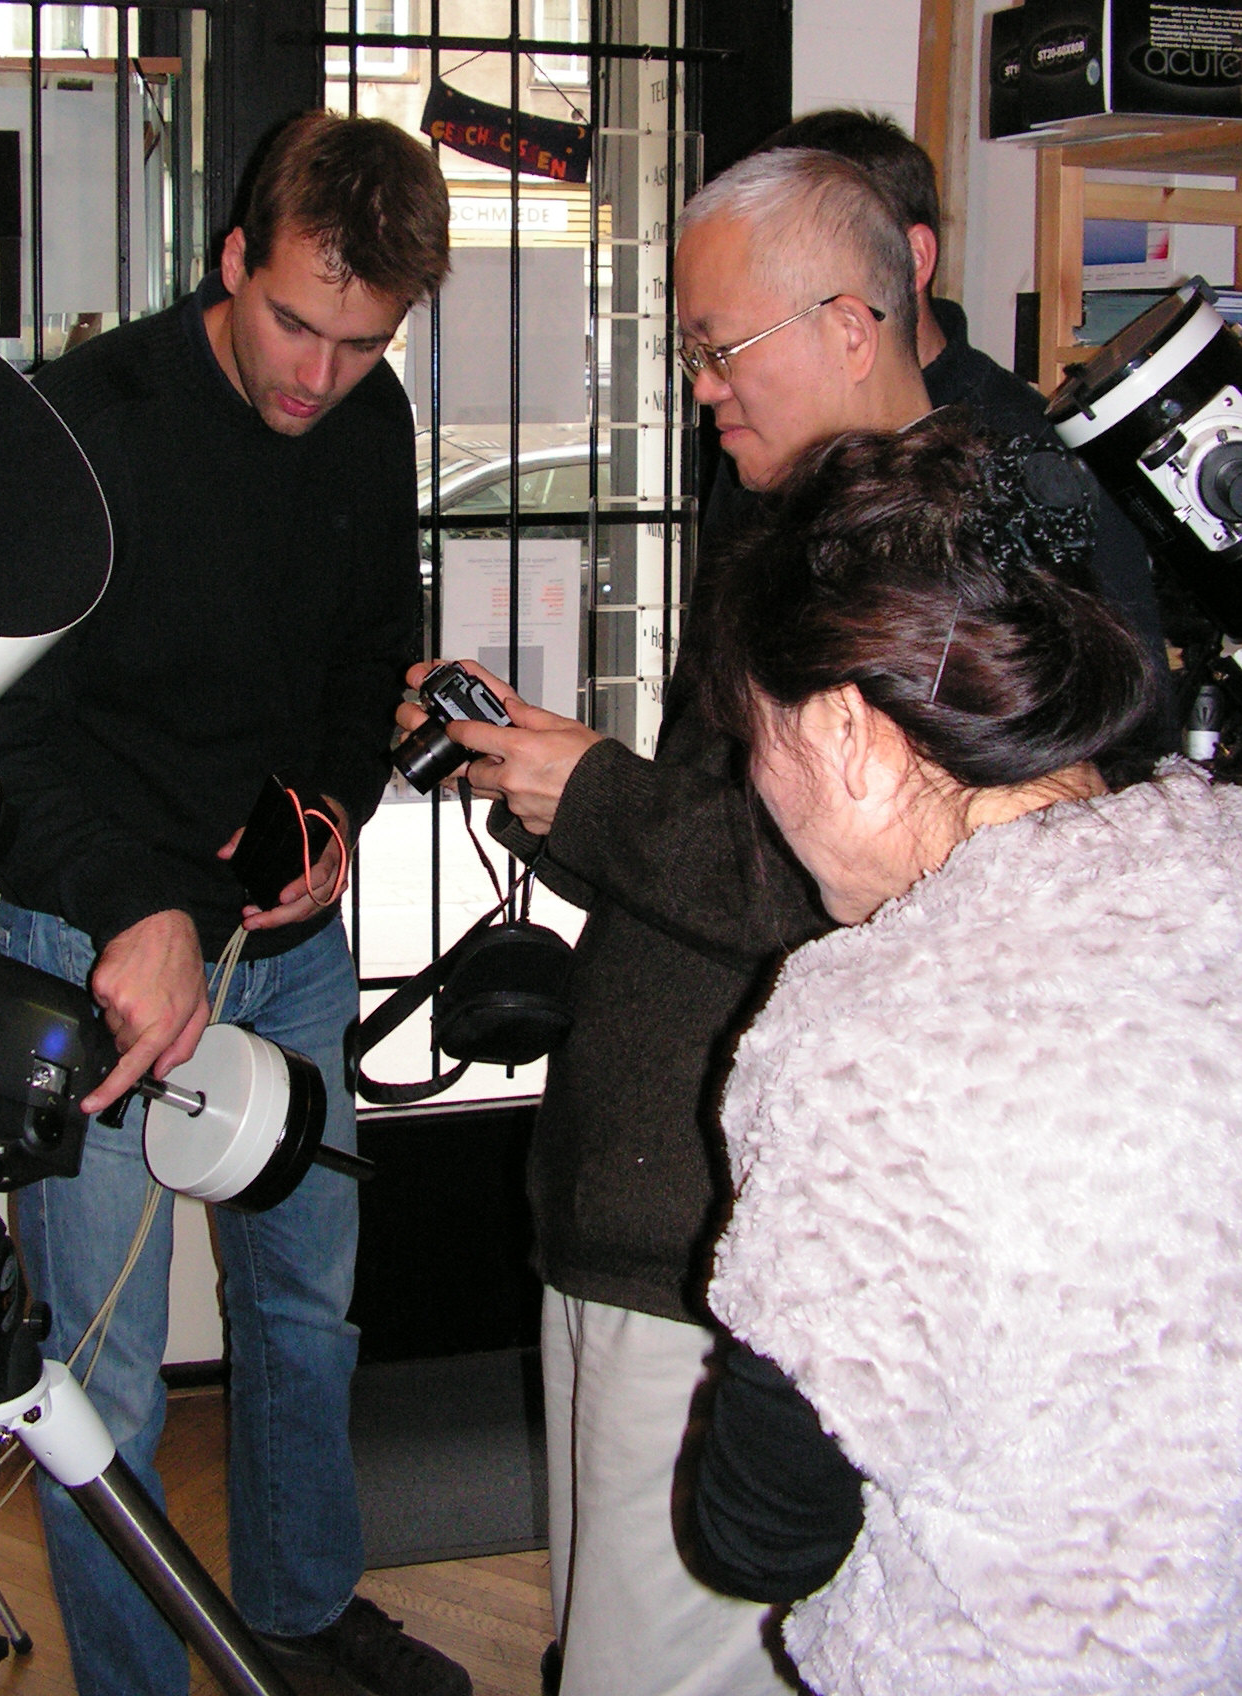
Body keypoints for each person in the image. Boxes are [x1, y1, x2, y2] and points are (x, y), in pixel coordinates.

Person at [399, 148, 941, 1696]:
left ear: (850, 323)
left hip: (719, 1243)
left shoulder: (933, 565)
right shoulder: (794, 531)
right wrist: (551, 791)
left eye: (719, 347)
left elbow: (835, 888)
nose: (698, 389)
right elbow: (709, 852)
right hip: (628, 1210)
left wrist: (594, 793)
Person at [0, 112, 467, 1696]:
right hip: (95, 947)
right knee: (100, 1372)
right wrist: (139, 906)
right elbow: (3, 733)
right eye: (296, 325)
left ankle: (299, 1622)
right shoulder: (87, 421)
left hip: (286, 943)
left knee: (306, 1309)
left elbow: (365, 654)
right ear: (234, 256)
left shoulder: (370, 416)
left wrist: (338, 811)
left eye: (362, 342)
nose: (321, 377)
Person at [696, 411, 1242, 1694]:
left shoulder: (862, 1041)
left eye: (755, 738)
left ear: (844, 730)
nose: (758, 786)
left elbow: (760, 1532)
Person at [711, 107, 1172, 701]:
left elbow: (1126, 719)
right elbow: (712, 691)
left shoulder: (1026, 463)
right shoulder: (761, 431)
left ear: (911, 260)